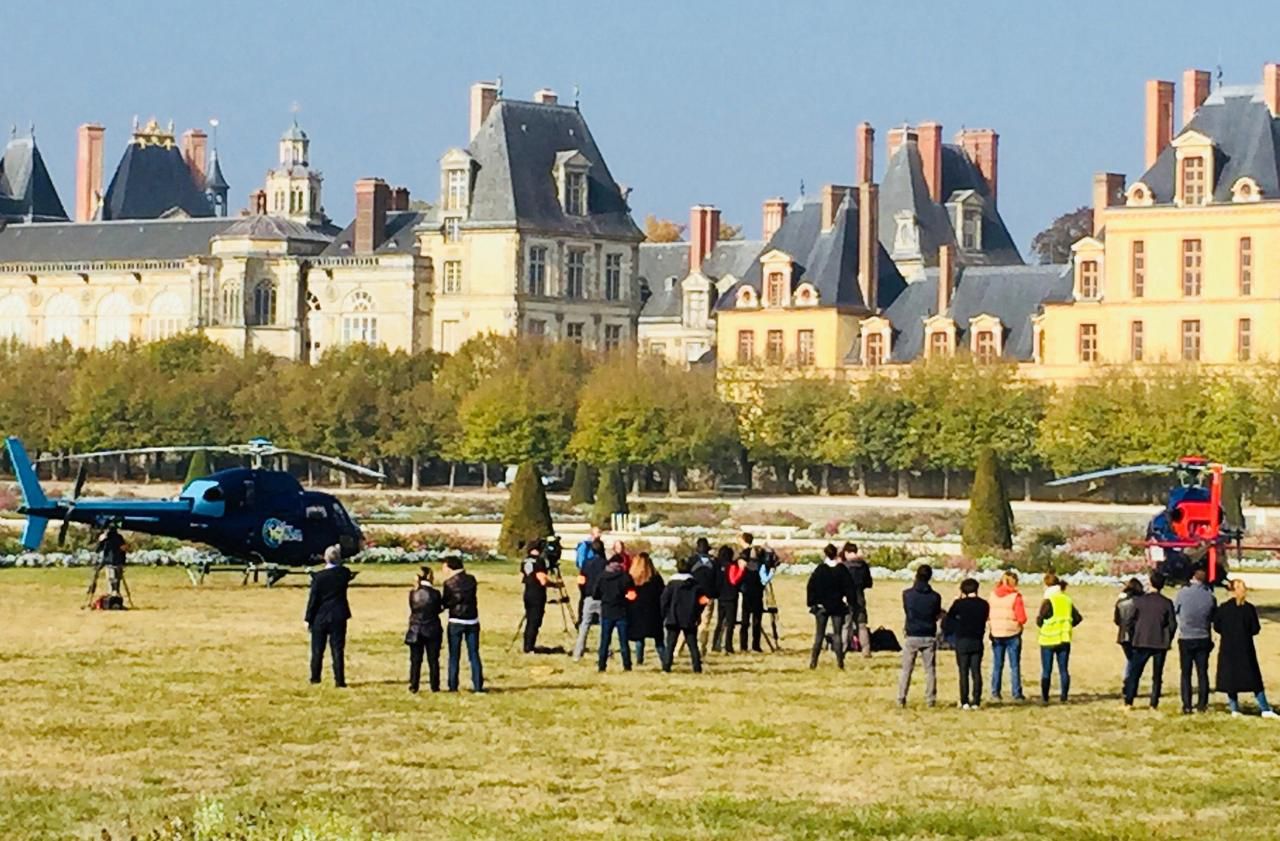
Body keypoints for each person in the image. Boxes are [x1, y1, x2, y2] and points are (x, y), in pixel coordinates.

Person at [1214, 579, 1278, 718]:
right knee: (1254, 680)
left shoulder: (1223, 608)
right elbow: (1255, 628)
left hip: (1228, 648)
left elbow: (1217, 626)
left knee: (1231, 679)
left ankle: (1234, 708)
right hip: (1245, 648)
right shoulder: (1249, 609)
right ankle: (1265, 708)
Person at [1123, 571, 1176, 709]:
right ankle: (1154, 702)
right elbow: (1172, 624)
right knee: (1157, 675)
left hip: (1142, 640)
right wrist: (1168, 638)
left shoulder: (1139, 601)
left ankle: (1129, 701)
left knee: (1135, 673)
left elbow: (1129, 621)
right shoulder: (1167, 603)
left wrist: (1134, 635)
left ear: (1150, 583)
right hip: (1160, 642)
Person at [304, 545, 352, 688]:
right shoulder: (344, 574)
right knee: (337, 649)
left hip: (320, 616)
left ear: (325, 558)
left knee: (317, 650)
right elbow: (344, 569)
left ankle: (315, 677)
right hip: (338, 615)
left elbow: (313, 600)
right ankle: (339, 680)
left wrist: (308, 618)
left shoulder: (318, 578)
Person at [898, 564, 943, 707]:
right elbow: (936, 614)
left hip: (912, 634)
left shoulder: (907, 594)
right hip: (929, 634)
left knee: (906, 669)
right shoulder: (935, 597)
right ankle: (930, 699)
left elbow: (907, 611)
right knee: (930, 670)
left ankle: (901, 697)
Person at [1174, 568, 1216, 714]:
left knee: (1186, 673)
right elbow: (1213, 616)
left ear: (1193, 578)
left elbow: (1176, 611)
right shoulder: (1209, 596)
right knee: (1202, 672)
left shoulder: (1183, 593)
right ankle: (1202, 704)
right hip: (1203, 636)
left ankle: (1187, 704)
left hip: (1186, 637)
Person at [1036, 573, 1082, 705]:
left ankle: (1045, 697)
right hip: (1064, 638)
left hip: (1048, 639)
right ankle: (1064, 696)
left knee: (1046, 670)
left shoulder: (1048, 600)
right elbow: (1077, 618)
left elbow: (1040, 619)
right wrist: (1067, 625)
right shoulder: (1067, 599)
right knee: (1063, 670)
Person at [944, 578, 990, 710]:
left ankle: (964, 700)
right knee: (976, 671)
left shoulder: (959, 604)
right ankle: (976, 700)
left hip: (962, 640)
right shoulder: (984, 604)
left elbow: (948, 619)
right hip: (977, 640)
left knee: (963, 672)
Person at [807, 543, 854, 669]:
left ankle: (813, 662)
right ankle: (840, 663)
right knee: (837, 634)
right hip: (837, 606)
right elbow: (849, 588)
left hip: (822, 607)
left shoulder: (820, 570)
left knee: (819, 635)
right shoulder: (841, 570)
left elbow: (811, 587)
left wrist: (813, 603)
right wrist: (849, 601)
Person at [661, 556, 710, 673]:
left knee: (670, 644)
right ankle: (697, 667)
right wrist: (697, 612)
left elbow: (664, 600)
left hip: (673, 617)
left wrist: (665, 613)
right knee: (693, 645)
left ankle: (666, 667)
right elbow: (704, 600)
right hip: (690, 618)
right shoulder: (695, 585)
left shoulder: (671, 584)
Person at [442, 556, 484, 693]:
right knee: (474, 654)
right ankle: (478, 685)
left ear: (450, 567)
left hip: (456, 620)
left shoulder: (449, 583)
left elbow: (447, 602)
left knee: (454, 655)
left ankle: (453, 685)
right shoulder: (471, 580)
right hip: (472, 620)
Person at [593, 553, 636, 672]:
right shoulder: (625, 577)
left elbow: (595, 594)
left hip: (607, 610)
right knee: (623, 641)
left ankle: (602, 665)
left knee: (605, 640)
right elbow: (632, 594)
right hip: (621, 610)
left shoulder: (602, 576)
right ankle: (627, 665)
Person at [988, 570, 1027, 702]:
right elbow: (1021, 617)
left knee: (997, 664)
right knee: (1014, 665)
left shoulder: (992, 595)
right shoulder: (1016, 597)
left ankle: (995, 692)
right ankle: (1016, 693)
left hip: (996, 633)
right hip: (1012, 633)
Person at [405, 566, 444, 693]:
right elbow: (439, 609)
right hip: (432, 628)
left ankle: (414, 684)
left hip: (416, 628)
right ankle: (434, 685)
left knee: (415, 660)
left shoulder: (413, 593)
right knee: (433, 660)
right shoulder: (435, 593)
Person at [571, 540, 608, 661]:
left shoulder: (586, 564)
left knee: (584, 625)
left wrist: (585, 592)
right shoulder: (605, 564)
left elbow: (581, 580)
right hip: (603, 598)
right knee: (605, 627)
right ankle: (604, 652)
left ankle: (577, 653)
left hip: (589, 598)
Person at [627, 552, 665, 666]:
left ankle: (639, 659)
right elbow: (663, 594)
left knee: (639, 638)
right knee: (659, 640)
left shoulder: (631, 579)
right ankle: (665, 660)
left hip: (637, 612)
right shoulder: (656, 579)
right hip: (654, 612)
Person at [841, 542, 873, 657]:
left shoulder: (843, 566)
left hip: (847, 599)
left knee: (846, 625)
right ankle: (866, 650)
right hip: (860, 598)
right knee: (862, 625)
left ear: (846, 553)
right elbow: (869, 583)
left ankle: (843, 649)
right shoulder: (863, 566)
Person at [711, 544, 744, 654]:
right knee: (730, 623)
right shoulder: (732, 566)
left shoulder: (717, 565)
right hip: (731, 597)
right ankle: (728, 645)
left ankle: (715, 644)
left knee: (720, 622)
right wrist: (741, 570)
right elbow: (734, 580)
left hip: (721, 597)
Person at [738, 538, 768, 653]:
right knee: (756, 621)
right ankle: (755, 645)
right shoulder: (761, 567)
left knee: (745, 622)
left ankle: (743, 645)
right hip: (757, 594)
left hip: (747, 593)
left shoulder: (745, 568)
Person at [520, 540, 551, 654]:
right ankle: (529, 647)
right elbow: (542, 580)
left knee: (529, 620)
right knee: (535, 621)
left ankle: (527, 644)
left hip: (528, 592)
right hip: (537, 594)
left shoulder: (525, 561)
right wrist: (554, 584)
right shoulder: (539, 561)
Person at [1113, 577, 1144, 687]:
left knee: (1130, 660)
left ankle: (1128, 681)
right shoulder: (1140, 603)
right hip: (1136, 635)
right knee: (1134, 661)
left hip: (1122, 635)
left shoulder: (1120, 602)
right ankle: (1130, 682)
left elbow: (1116, 620)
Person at [689, 538, 719, 650]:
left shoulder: (691, 561)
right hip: (708, 596)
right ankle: (702, 647)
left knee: (689, 622)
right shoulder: (714, 562)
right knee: (705, 623)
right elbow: (717, 580)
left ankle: (678, 649)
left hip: (693, 595)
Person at [97, 526, 127, 597]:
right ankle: (116, 593)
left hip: (110, 562)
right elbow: (123, 548)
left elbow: (98, 549)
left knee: (112, 579)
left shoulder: (106, 538)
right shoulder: (119, 537)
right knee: (116, 579)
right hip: (118, 561)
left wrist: (101, 540)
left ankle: (113, 594)